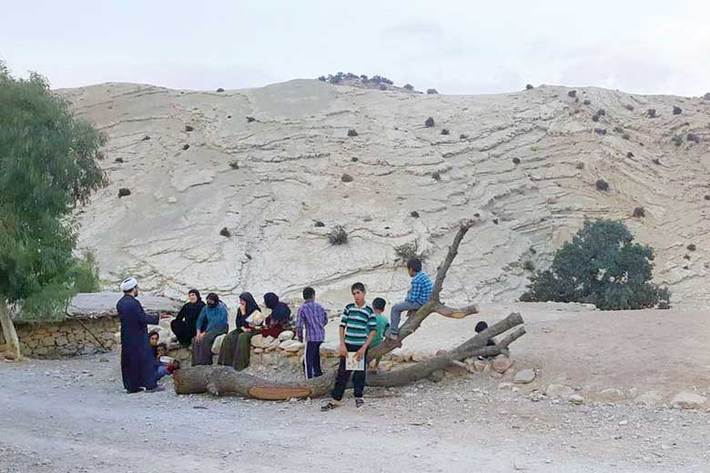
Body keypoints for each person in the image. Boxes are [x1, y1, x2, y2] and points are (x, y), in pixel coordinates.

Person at [321, 282, 377, 411]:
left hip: (360, 345)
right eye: (354, 293)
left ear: (364, 293)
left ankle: (358, 397)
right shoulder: (349, 308)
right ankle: (336, 399)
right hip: (348, 344)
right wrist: (342, 344)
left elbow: (373, 331)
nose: (356, 296)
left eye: (358, 293)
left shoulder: (369, 310)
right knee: (343, 373)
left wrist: (364, 347)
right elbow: (342, 326)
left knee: (359, 373)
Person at [116, 277, 170, 393]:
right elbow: (142, 318)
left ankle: (132, 386)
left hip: (126, 337)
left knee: (129, 361)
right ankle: (150, 385)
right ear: (134, 289)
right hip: (138, 337)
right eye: (136, 288)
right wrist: (157, 318)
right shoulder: (134, 303)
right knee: (146, 360)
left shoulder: (120, 303)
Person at [386, 258, 433, 340]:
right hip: (426, 300)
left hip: (421, 303)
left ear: (411, 269)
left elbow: (413, 298)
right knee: (402, 303)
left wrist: (405, 300)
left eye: (408, 270)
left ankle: (393, 332)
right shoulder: (423, 275)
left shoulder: (416, 280)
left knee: (395, 308)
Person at [217, 292, 261, 370]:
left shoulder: (256, 310)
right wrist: (242, 328)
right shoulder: (240, 309)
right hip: (242, 328)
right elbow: (238, 322)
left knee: (242, 337)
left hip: (253, 330)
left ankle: (240, 364)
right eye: (240, 300)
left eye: (242, 300)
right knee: (229, 337)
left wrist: (244, 313)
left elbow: (251, 324)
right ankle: (225, 362)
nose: (241, 302)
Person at [296, 286, 328, 379]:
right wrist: (319, 326)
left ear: (304, 297)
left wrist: (300, 337)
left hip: (311, 337)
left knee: (308, 361)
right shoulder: (320, 307)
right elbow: (325, 319)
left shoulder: (302, 308)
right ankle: (318, 375)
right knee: (316, 357)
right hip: (321, 336)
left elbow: (299, 325)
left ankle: (308, 379)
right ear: (313, 295)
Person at [191, 293, 229, 366]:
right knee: (195, 339)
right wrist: (198, 332)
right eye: (208, 301)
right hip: (210, 328)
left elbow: (216, 322)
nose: (209, 303)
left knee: (206, 338)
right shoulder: (206, 307)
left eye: (211, 301)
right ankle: (196, 363)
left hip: (220, 328)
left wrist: (204, 332)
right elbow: (200, 319)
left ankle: (205, 362)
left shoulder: (221, 308)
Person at [368, 297, 390, 372]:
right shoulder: (385, 319)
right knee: (381, 346)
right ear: (383, 309)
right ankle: (376, 365)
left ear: (372, 306)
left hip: (367, 343)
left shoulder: (368, 317)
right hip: (377, 343)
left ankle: (367, 365)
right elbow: (385, 333)